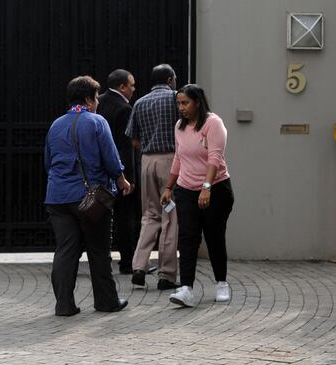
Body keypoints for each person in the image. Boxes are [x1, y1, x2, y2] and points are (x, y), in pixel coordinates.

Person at [44, 75, 132, 316]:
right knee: (98, 250)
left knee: (66, 250)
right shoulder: (96, 122)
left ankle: (64, 305)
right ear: (88, 99)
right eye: (96, 97)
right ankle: (106, 302)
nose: (98, 102)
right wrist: (121, 180)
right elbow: (111, 158)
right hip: (90, 198)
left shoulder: (55, 125)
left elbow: (48, 162)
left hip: (57, 198)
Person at [161, 85, 234, 308]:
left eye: (185, 103)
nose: (181, 108)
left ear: (197, 103)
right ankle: (186, 289)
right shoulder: (179, 127)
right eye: (179, 103)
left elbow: (214, 157)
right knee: (188, 237)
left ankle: (221, 283)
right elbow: (178, 158)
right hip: (186, 190)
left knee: (213, 236)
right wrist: (169, 187)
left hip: (216, 189)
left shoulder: (213, 124)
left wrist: (206, 187)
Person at [125, 64, 180, 290]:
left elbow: (134, 139)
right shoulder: (177, 99)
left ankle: (139, 265)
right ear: (169, 80)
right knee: (170, 216)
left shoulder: (139, 102)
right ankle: (166, 275)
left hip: (147, 161)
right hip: (170, 163)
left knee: (149, 215)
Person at [97, 69, 140, 275]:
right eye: (131, 85)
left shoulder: (98, 101)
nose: (133, 89)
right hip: (117, 171)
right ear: (122, 86)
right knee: (125, 218)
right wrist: (129, 178)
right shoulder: (124, 108)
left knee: (95, 212)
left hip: (97, 170)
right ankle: (127, 262)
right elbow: (126, 146)